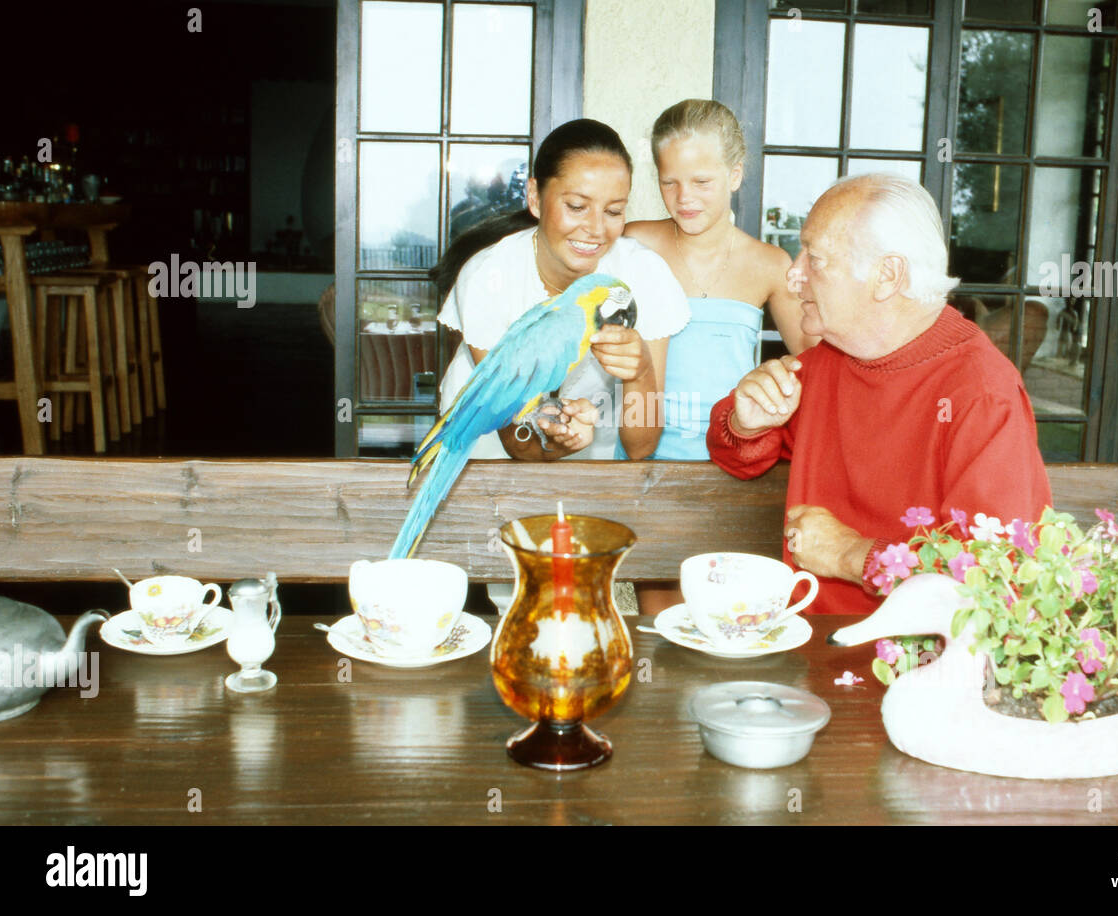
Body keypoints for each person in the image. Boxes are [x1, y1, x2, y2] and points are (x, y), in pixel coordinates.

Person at [707, 173, 1053, 616]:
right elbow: (736, 455)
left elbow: (998, 578)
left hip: (917, 666)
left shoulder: (981, 392)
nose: (793, 274)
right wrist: (745, 423)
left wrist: (852, 554)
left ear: (886, 276)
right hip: (807, 648)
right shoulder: (830, 358)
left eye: (815, 257)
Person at [435, 118, 689, 463]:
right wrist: (560, 442)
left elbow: (641, 446)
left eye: (614, 211)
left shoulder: (643, 275)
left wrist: (641, 371)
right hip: (481, 454)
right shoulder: (488, 276)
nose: (596, 230)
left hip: (589, 446)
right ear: (535, 198)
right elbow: (517, 442)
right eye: (576, 207)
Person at [624, 99, 816, 461]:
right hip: (640, 462)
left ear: (735, 175)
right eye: (670, 182)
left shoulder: (770, 263)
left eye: (701, 182)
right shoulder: (635, 243)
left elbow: (817, 362)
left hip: (735, 460)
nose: (684, 198)